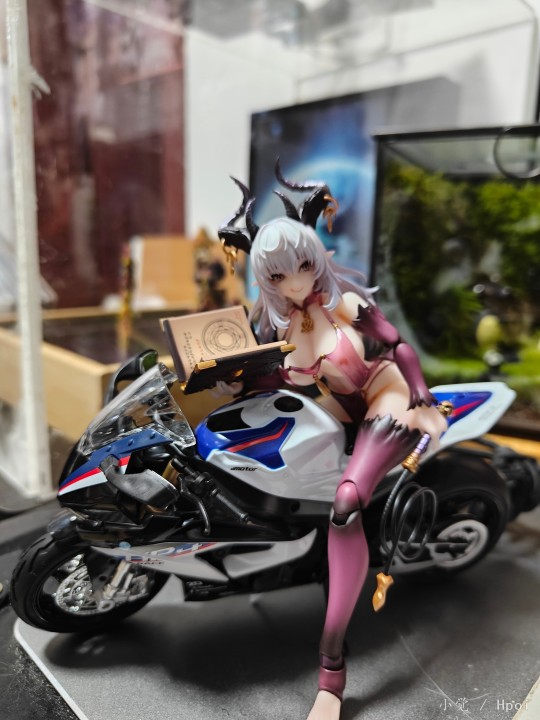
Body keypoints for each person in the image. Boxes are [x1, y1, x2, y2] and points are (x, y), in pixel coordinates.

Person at [218, 164, 447, 720]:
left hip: (383, 397)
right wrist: (228, 381)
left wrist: (420, 396)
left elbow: (399, 345)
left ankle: (331, 673)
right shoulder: (272, 326)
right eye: (279, 275)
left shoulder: (343, 303)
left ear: (316, 257)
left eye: (302, 265)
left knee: (345, 507)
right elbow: (267, 380)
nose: (297, 282)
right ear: (266, 279)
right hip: (329, 418)